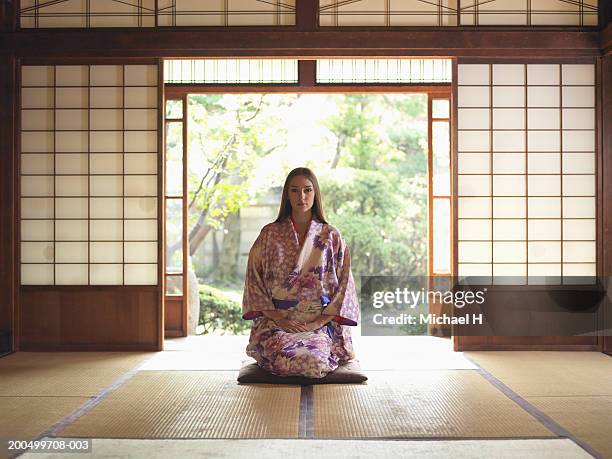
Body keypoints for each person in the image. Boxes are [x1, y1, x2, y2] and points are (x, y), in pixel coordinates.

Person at [242, 167, 359, 378]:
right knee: (286, 357)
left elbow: (344, 285)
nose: (302, 197)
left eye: (307, 190)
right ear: (287, 194)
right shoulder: (270, 234)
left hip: (319, 322)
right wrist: (279, 319)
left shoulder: (331, 235)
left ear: (316, 194)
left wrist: (316, 323)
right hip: (277, 321)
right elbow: (254, 280)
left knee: (312, 361)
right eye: (295, 190)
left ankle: (320, 346)